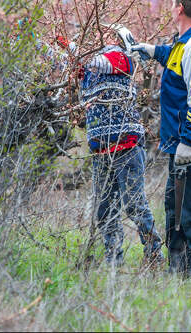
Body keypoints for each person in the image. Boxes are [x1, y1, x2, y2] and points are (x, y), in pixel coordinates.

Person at [131, 0, 191, 280]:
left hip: (189, 141)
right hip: (179, 139)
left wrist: (188, 144)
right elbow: (175, 58)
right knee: (175, 204)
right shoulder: (189, 40)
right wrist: (152, 51)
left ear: (179, 8)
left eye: (172, 5)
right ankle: (179, 271)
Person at [66, 33, 165, 268]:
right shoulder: (89, 71)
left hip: (127, 145)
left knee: (133, 204)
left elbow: (92, 60)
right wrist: (39, 39)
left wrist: (72, 47)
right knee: (104, 209)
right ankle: (113, 261)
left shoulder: (122, 59)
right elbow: (67, 62)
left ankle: (154, 254)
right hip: (101, 149)